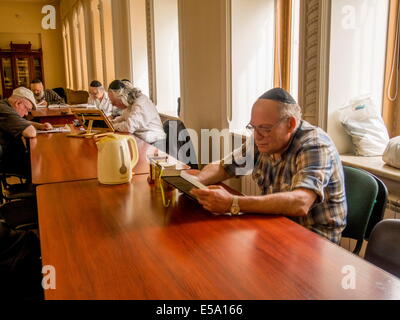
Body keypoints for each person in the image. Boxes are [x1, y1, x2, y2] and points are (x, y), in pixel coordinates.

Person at [191, 88, 347, 244]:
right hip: (277, 225)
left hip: (314, 241)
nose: (257, 136)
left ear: (290, 124)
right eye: (253, 127)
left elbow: (301, 202)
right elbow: (223, 167)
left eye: (265, 128)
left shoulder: (315, 145)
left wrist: (233, 203)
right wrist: (194, 183)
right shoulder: (262, 139)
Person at [0, 87, 53, 178]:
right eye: (27, 109)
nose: (26, 114)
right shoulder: (4, 110)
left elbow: (18, 121)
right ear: (18, 103)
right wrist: (32, 127)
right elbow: (30, 132)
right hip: (7, 160)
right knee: (45, 165)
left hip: (10, 154)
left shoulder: (5, 105)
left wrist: (39, 126)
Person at [108, 80, 166, 145]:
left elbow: (129, 127)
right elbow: (124, 117)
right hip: (142, 139)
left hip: (155, 142)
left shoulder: (141, 102)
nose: (112, 104)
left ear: (122, 98)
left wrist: (112, 126)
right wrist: (111, 122)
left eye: (114, 102)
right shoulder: (130, 102)